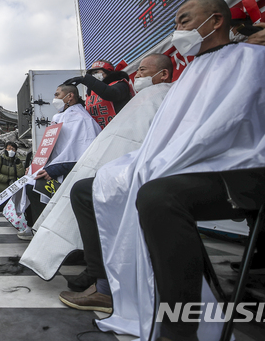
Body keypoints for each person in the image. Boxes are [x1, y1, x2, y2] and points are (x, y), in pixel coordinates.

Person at [61, 0, 265, 341]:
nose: (178, 29)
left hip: (238, 172)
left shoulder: (259, 59)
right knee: (87, 188)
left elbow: (255, 127)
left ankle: (178, 331)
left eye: (185, 20)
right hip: (187, 166)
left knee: (157, 196)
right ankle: (107, 286)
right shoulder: (192, 75)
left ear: (216, 21)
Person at [20, 54, 173, 286]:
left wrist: (85, 80)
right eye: (138, 70)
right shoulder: (133, 101)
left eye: (142, 70)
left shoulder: (124, 89)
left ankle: (96, 270)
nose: (138, 75)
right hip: (114, 159)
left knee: (82, 191)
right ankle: (80, 254)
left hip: (138, 165)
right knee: (68, 190)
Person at [14, 84, 101, 240]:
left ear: (70, 96)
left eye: (57, 94)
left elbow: (83, 152)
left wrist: (55, 170)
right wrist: (34, 167)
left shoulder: (82, 119)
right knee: (28, 183)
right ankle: (34, 226)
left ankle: (46, 233)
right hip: (55, 168)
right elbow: (52, 149)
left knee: (36, 188)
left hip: (69, 171)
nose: (55, 98)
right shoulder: (61, 117)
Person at [64, 60, 133, 129]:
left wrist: (88, 80)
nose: (94, 75)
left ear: (107, 72)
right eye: (92, 73)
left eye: (96, 72)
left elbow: (111, 94)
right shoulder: (91, 93)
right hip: (100, 134)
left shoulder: (120, 84)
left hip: (120, 130)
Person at [0, 141, 25, 211]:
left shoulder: (17, 161)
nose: (11, 151)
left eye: (13, 149)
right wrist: (7, 180)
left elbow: (21, 175)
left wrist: (19, 165)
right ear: (5, 149)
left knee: (11, 211)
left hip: (12, 191)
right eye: (9, 148)